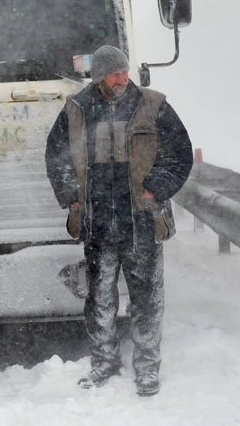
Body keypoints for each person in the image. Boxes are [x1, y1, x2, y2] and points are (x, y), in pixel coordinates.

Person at [44, 45, 192, 397]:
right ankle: (104, 363)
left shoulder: (154, 105)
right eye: (114, 74)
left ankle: (147, 368)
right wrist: (71, 195)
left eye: (125, 71)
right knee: (100, 299)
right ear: (99, 77)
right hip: (98, 225)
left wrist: (156, 189)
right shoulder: (77, 108)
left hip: (142, 222)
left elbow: (179, 154)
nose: (122, 79)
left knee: (147, 300)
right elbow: (57, 156)